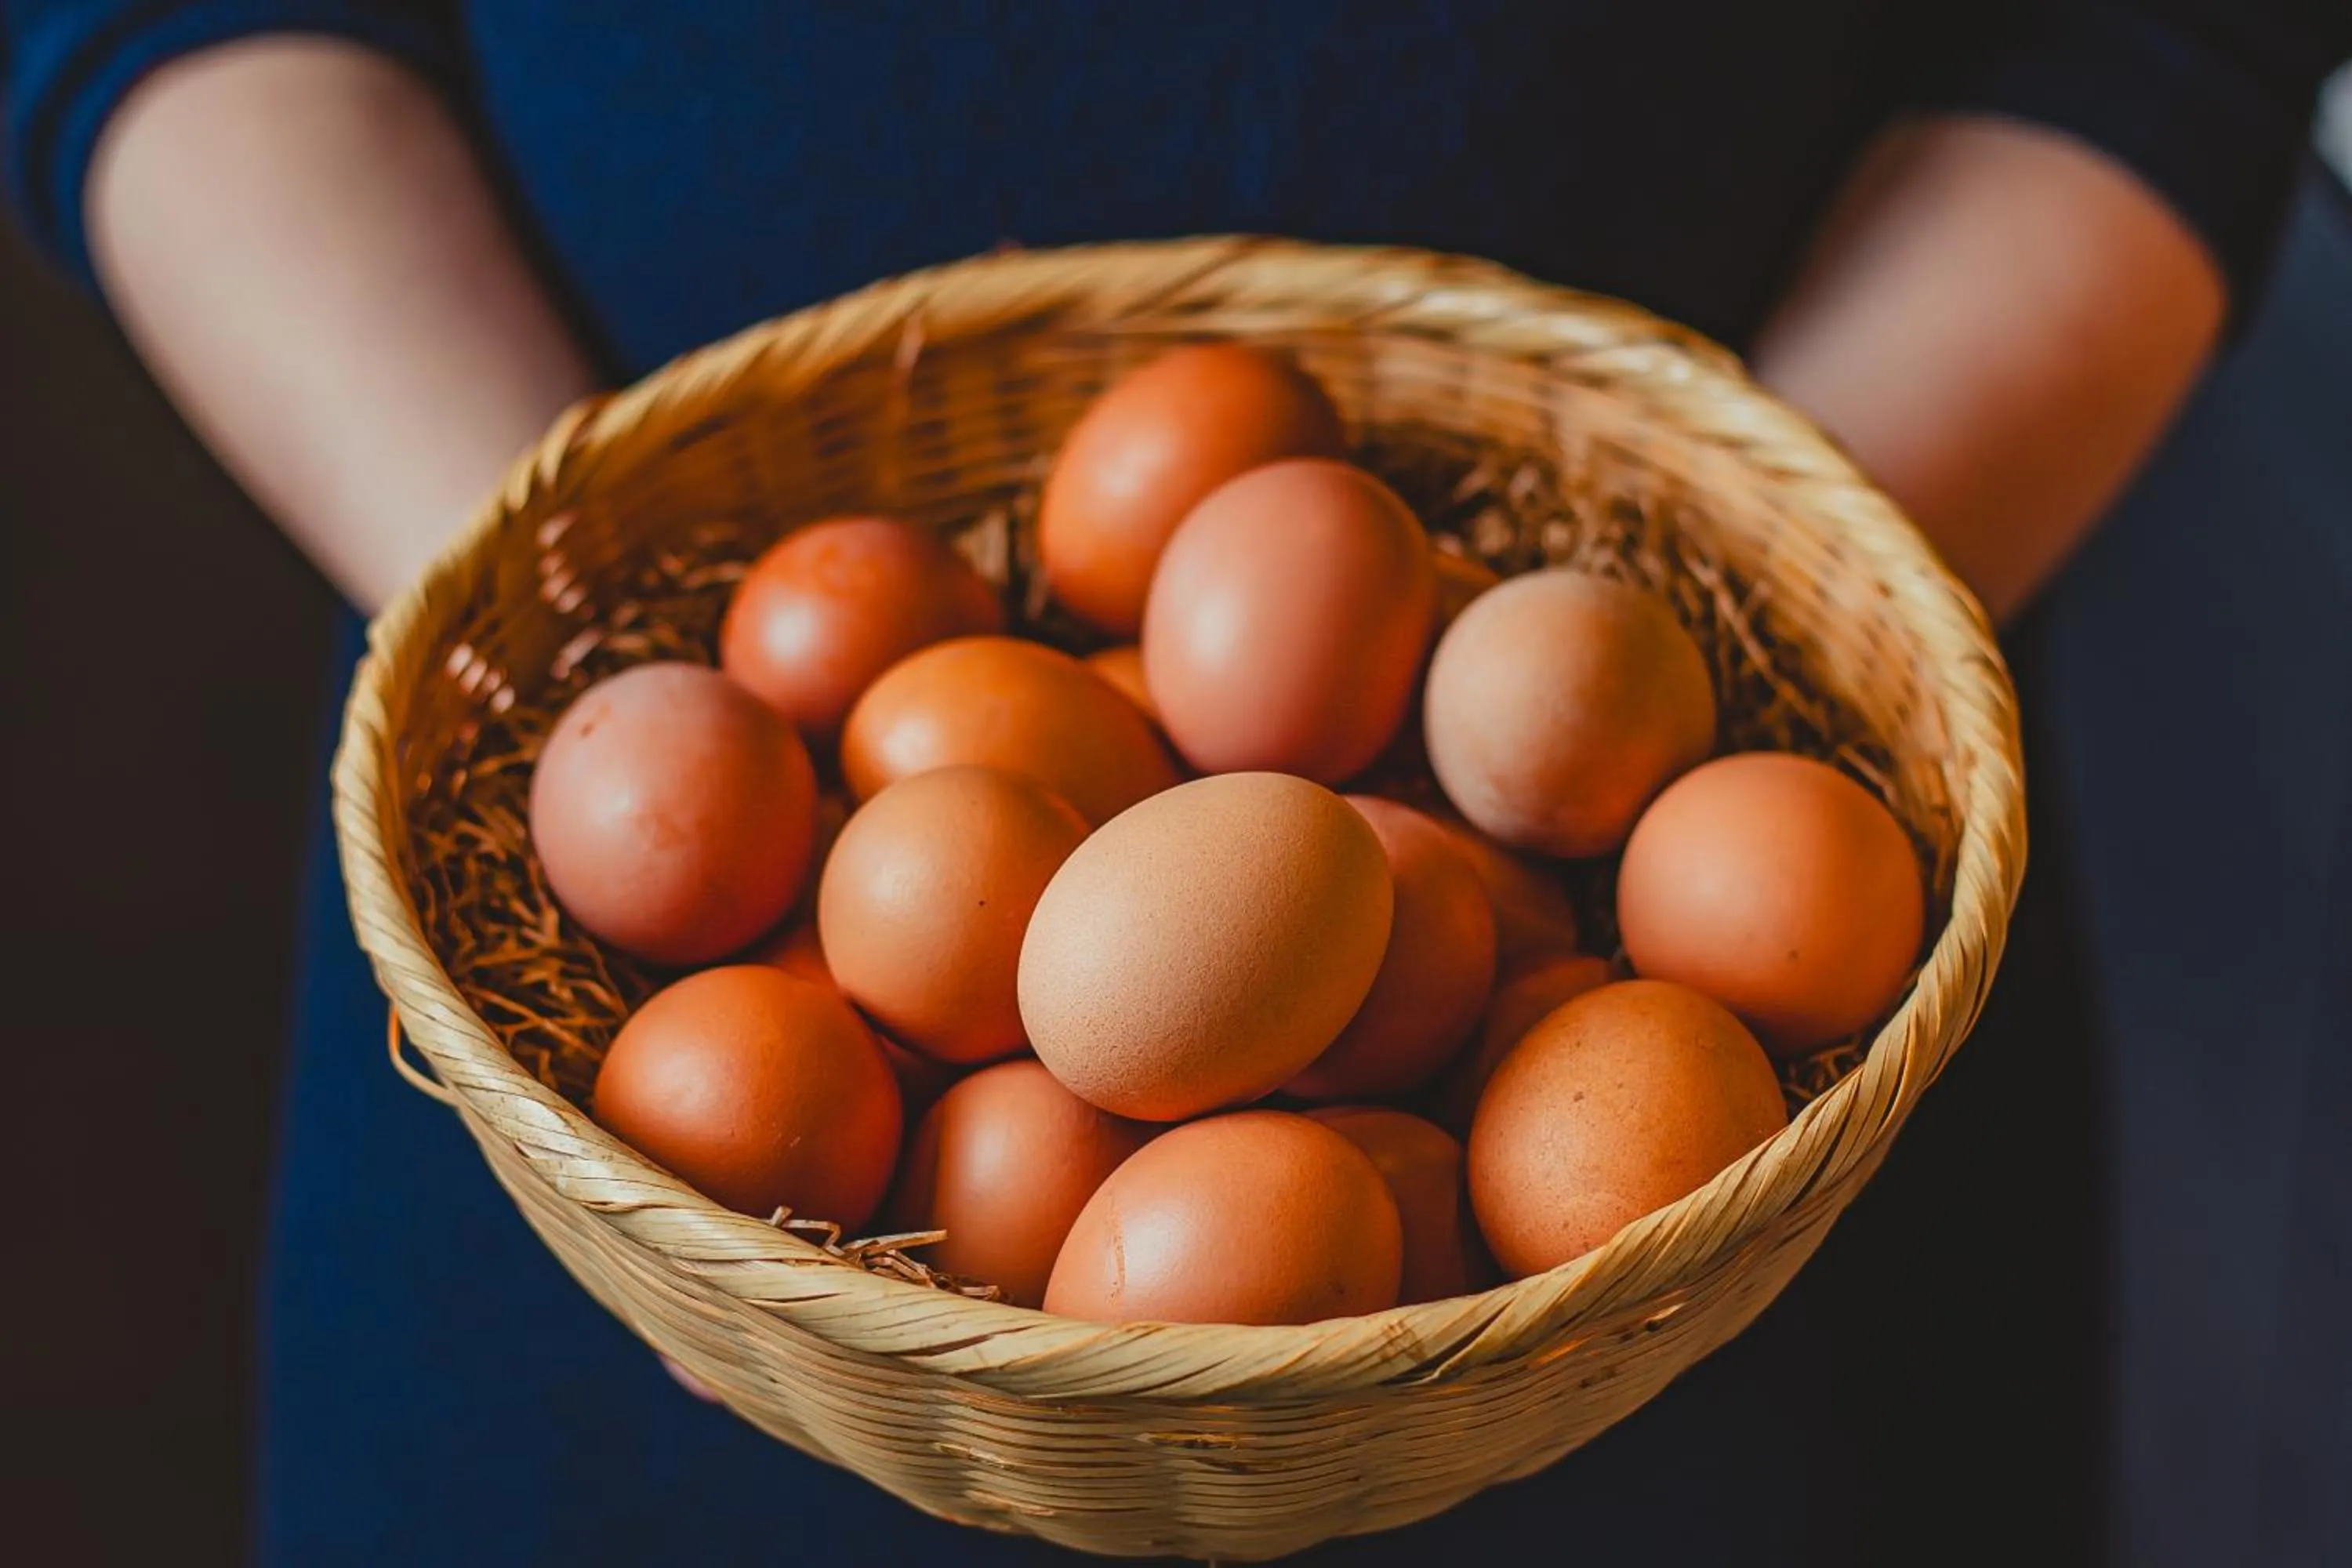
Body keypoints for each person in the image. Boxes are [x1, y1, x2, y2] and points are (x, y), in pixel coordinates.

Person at [5, 4, 2346, 1563]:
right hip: (617, 1076)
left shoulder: (1606, 931)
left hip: (1726, 1208)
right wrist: (584, 633)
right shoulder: (716, 936)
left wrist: (1733, 615)